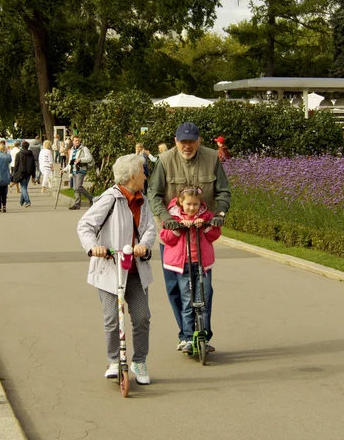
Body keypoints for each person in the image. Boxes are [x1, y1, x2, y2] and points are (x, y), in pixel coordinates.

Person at [148, 122, 230, 353]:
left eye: (191, 142)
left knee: (205, 288)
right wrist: (166, 218)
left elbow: (224, 191)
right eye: (183, 142)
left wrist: (220, 213)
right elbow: (153, 194)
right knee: (176, 287)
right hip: (173, 236)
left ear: (199, 141)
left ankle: (203, 334)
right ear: (176, 141)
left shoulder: (212, 158)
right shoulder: (165, 160)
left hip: (201, 233)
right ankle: (185, 334)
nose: (187, 146)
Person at [77, 154, 156, 385]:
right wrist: (94, 248)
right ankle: (114, 360)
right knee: (113, 317)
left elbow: (150, 227)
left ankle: (139, 361)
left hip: (135, 270)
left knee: (141, 317)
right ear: (133, 176)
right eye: (143, 171)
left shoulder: (144, 199)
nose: (145, 174)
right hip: (111, 270)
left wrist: (144, 245)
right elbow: (85, 225)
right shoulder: (109, 199)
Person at [159, 187, 221, 353]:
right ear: (180, 202)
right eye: (188, 204)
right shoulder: (173, 216)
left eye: (195, 204)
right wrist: (178, 227)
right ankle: (187, 337)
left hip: (202, 265)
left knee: (204, 300)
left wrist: (205, 225)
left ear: (200, 203)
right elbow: (166, 238)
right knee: (187, 301)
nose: (192, 208)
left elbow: (214, 235)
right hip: (183, 265)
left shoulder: (205, 216)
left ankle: (204, 336)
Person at [64, 135, 94, 210]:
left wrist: (80, 159)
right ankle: (77, 204)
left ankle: (92, 198)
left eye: (78, 140)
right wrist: (65, 169)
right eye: (76, 140)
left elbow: (89, 158)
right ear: (73, 142)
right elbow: (70, 162)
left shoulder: (84, 149)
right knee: (75, 188)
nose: (77, 142)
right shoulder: (72, 150)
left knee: (78, 187)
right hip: (73, 170)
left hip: (81, 169)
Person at [12, 141, 36, 208]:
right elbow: (33, 165)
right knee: (24, 187)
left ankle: (27, 201)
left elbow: (16, 165)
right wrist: (33, 176)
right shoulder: (31, 154)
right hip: (28, 172)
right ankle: (21, 201)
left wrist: (14, 173)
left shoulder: (19, 154)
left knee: (23, 187)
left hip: (21, 172)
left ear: (22, 146)